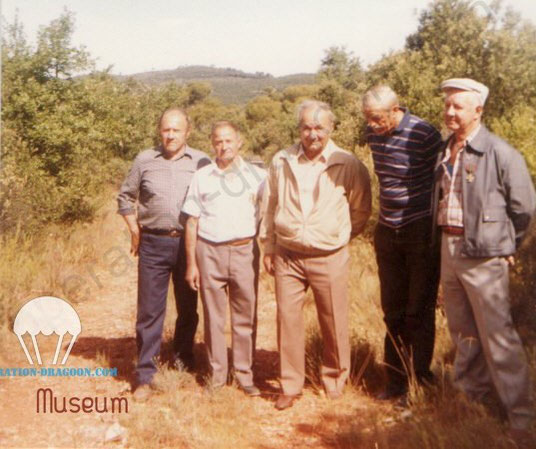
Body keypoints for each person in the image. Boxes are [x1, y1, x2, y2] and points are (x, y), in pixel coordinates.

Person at [436, 78, 535, 442]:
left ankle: (521, 417)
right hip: (449, 248)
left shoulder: (499, 152)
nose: (450, 111)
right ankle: (470, 399)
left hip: (485, 255)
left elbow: (524, 209)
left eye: (458, 106)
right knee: (463, 333)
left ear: (478, 109)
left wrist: (507, 245)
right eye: (447, 105)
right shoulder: (445, 149)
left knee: (498, 336)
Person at [260, 100, 372, 410]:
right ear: (299, 129)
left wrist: (338, 235)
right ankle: (290, 384)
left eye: (319, 128)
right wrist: (269, 246)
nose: (313, 134)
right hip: (288, 254)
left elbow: (361, 209)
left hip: (329, 255)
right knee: (287, 319)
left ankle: (335, 380)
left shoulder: (347, 163)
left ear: (330, 128)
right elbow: (270, 205)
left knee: (333, 319)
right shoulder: (281, 160)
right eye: (307, 127)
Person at [117, 107, 211, 401]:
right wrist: (135, 230)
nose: (170, 135)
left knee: (188, 307)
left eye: (176, 130)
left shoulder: (202, 162)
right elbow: (125, 196)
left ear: (187, 132)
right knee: (149, 310)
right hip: (153, 244)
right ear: (160, 131)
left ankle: (184, 359)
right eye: (166, 130)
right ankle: (145, 373)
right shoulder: (145, 160)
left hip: (189, 244)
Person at [362, 86, 442, 402]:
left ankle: (418, 383)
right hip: (387, 229)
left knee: (418, 311)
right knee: (392, 311)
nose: (372, 125)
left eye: (377, 118)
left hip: (420, 228)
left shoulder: (424, 134)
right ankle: (394, 382)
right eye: (368, 119)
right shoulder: (374, 135)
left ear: (396, 110)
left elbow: (442, 181)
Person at [183, 121, 266, 396]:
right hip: (209, 251)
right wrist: (192, 264)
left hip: (244, 251)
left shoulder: (257, 175)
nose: (224, 146)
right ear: (212, 144)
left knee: (245, 316)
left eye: (229, 140)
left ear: (239, 141)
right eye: (218, 141)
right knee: (214, 318)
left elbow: (267, 215)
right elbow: (192, 221)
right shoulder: (202, 176)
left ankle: (244, 374)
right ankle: (217, 376)